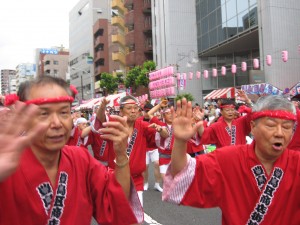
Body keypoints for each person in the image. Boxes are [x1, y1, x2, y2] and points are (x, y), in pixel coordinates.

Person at [0, 76, 143, 225]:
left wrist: (121, 155)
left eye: (64, 112)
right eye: (44, 114)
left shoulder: (80, 159)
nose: (57, 123)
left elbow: (114, 207)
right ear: (23, 117)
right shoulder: (6, 165)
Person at [163, 96, 300, 225]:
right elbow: (183, 175)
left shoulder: (297, 163)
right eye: (271, 125)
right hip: (234, 160)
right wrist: (181, 142)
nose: (279, 133)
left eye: (287, 127)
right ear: (253, 127)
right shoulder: (225, 158)